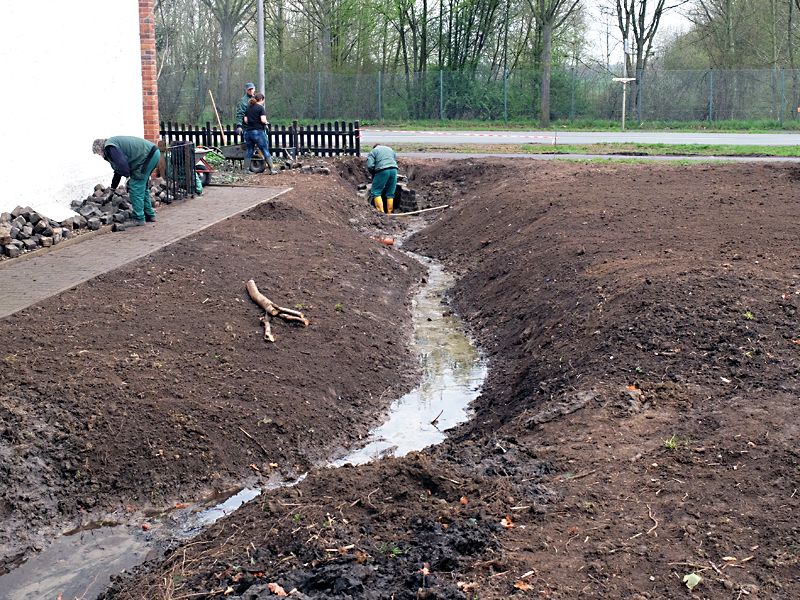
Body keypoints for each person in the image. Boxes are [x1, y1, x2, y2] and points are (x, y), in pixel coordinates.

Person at [92, 136, 159, 226]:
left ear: (101, 150)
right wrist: (113, 188)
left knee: (135, 187)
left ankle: (139, 219)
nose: (100, 156)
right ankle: (149, 214)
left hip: (147, 156)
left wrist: (128, 178)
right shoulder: (113, 145)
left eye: (99, 154)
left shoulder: (110, 147)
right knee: (142, 186)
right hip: (152, 153)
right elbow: (118, 170)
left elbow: (121, 163)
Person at [244, 93, 277, 175]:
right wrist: (266, 122)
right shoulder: (260, 108)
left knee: (249, 151)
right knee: (265, 149)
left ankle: (246, 170)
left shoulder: (248, 108)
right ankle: (272, 170)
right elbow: (263, 120)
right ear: (261, 100)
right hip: (257, 132)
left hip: (248, 132)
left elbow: (245, 120)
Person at [366, 144, 398, 213]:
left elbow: (370, 165)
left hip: (382, 170)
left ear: (374, 147)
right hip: (394, 170)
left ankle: (381, 213)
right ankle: (390, 212)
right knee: (390, 192)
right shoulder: (390, 149)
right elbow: (394, 159)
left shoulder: (373, 151)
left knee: (376, 191)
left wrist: (374, 174)